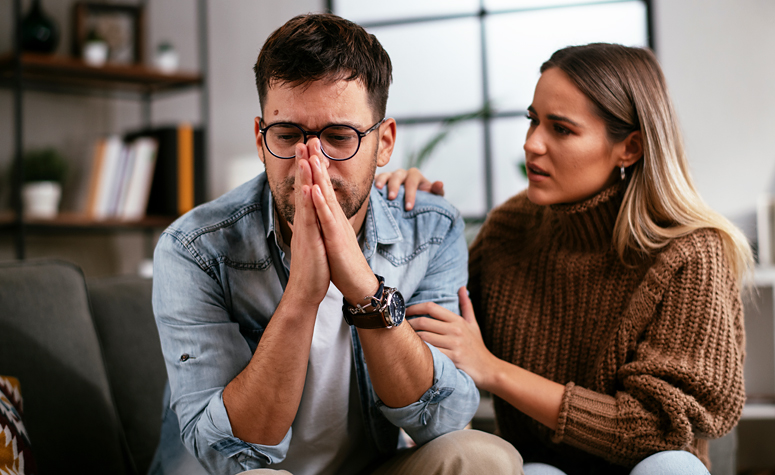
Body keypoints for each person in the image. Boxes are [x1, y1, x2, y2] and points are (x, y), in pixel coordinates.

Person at [151, 13, 522, 475]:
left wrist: (365, 290)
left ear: (384, 142)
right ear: (261, 140)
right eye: (288, 136)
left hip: (370, 468)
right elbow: (228, 452)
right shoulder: (194, 248)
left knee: (485, 458)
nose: (314, 164)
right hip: (245, 472)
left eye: (339, 137)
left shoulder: (428, 228)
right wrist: (302, 295)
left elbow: (441, 420)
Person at [377, 43, 750, 474]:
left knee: (672, 468)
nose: (531, 144)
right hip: (543, 466)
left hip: (651, 465)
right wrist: (415, 218)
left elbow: (661, 429)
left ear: (629, 148)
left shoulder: (691, 252)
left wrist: (493, 370)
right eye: (532, 120)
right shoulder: (510, 228)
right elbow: (432, 336)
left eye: (561, 129)